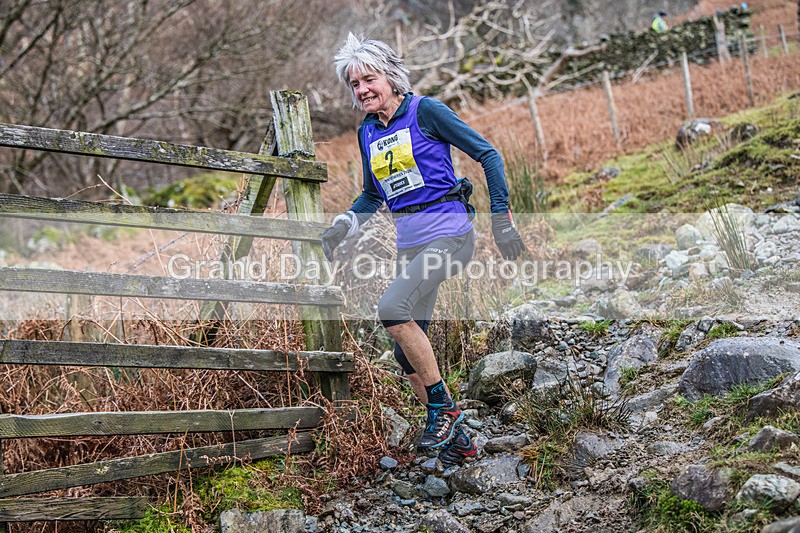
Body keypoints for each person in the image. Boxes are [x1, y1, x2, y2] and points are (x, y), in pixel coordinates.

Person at [323, 33, 525, 467]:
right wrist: (344, 223)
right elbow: (371, 195)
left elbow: (488, 154)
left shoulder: (426, 111)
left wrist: (502, 217)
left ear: (391, 77)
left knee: (392, 308)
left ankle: (444, 410)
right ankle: (461, 440)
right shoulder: (368, 132)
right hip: (409, 245)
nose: (361, 90)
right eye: (354, 85)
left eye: (368, 79)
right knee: (403, 350)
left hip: (450, 236)